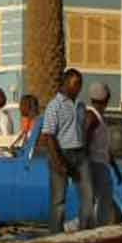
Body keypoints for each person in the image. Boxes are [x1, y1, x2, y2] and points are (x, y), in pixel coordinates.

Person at [41, 68, 95, 230]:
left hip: (80, 154)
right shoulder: (54, 106)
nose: (79, 88)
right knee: (59, 200)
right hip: (61, 153)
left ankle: (84, 232)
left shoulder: (80, 105)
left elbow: (81, 129)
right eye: (76, 84)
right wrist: (58, 162)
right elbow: (49, 136)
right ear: (65, 84)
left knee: (88, 196)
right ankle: (55, 236)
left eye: (80, 84)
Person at [86, 82, 122, 226]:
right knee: (103, 201)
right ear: (106, 99)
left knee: (103, 202)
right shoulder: (92, 117)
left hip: (101, 165)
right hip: (96, 165)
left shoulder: (98, 117)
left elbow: (105, 148)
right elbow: (86, 142)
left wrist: (115, 168)